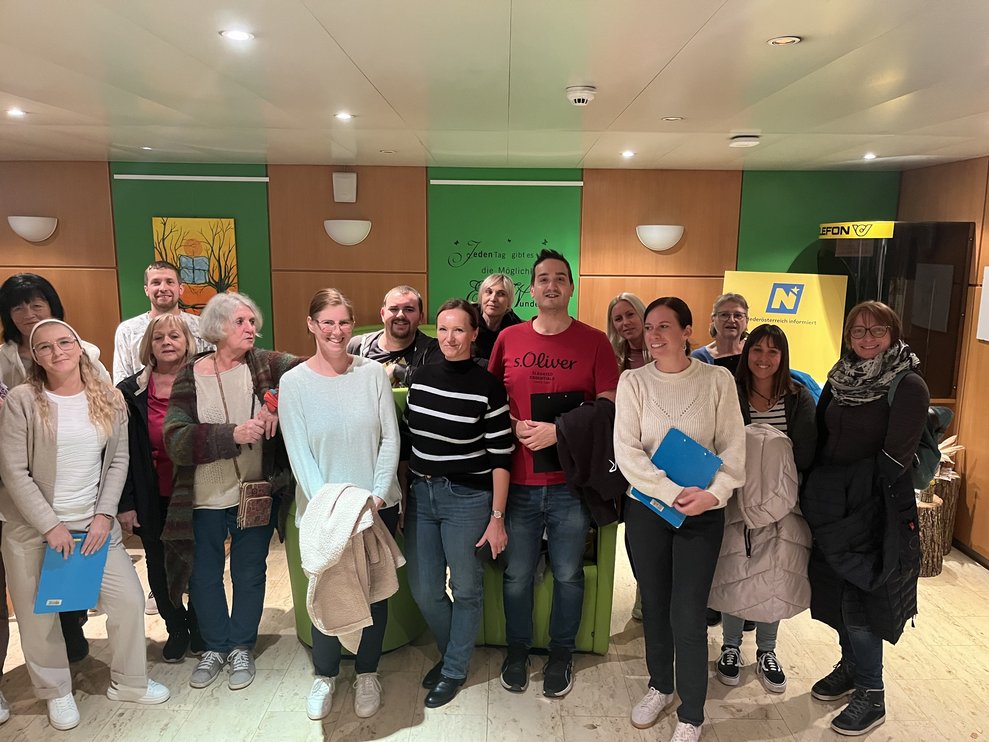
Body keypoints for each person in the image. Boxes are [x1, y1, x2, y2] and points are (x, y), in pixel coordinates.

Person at [0, 319, 170, 731]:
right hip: (32, 530)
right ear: (35, 356)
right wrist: (49, 526)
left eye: (64, 342)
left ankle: (129, 681)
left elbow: (118, 461)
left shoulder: (109, 398)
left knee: (128, 600)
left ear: (79, 346)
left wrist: (103, 515)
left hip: (94, 526)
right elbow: (13, 470)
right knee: (38, 618)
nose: (56, 351)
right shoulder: (22, 400)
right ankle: (56, 691)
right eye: (44, 347)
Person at [488, 249, 620, 698]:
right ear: (532, 289)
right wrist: (511, 425)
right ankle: (517, 651)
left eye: (560, 278)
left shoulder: (595, 342)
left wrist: (558, 431)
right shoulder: (509, 339)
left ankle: (561, 653)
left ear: (570, 288)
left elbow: (609, 405)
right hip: (516, 483)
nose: (551, 285)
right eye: (543, 278)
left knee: (567, 574)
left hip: (569, 484)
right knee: (517, 575)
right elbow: (491, 400)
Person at [613, 297, 745, 741]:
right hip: (649, 510)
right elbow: (627, 452)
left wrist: (713, 494)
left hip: (702, 513)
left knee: (688, 612)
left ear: (687, 331)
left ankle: (691, 712)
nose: (654, 335)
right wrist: (671, 493)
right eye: (649, 327)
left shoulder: (717, 380)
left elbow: (733, 448)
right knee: (654, 604)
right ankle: (660, 685)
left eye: (664, 326)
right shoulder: (633, 382)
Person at [802, 301, 929, 736]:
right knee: (837, 593)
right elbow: (822, 437)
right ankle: (852, 666)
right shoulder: (840, 378)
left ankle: (873, 693)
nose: (867, 338)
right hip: (833, 505)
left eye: (877, 330)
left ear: (893, 333)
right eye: (858, 330)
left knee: (862, 600)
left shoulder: (907, 384)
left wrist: (840, 489)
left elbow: (894, 460)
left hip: (875, 511)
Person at [163, 292, 300, 692]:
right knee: (204, 575)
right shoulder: (189, 374)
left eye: (252, 321)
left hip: (255, 492)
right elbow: (175, 438)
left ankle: (241, 645)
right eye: (241, 322)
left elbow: (310, 373)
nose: (250, 328)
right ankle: (214, 647)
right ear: (218, 327)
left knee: (249, 571)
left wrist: (274, 403)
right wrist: (232, 435)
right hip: (203, 497)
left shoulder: (266, 364)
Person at [278, 288, 402, 721]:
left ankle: (367, 672)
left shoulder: (373, 375)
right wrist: (334, 507)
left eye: (344, 322)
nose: (336, 330)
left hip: (375, 506)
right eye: (327, 322)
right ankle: (325, 674)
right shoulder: (294, 383)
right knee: (326, 588)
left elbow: (390, 439)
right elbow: (299, 453)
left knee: (374, 590)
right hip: (323, 510)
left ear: (354, 325)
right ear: (311, 325)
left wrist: (377, 494)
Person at [404, 299, 513, 708]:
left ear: (474, 334)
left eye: (459, 330)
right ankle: (454, 652)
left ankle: (453, 668)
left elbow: (501, 457)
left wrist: (497, 518)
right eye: (443, 329)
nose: (449, 338)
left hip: (467, 498)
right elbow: (409, 442)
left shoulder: (488, 386)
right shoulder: (421, 378)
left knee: (466, 588)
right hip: (421, 494)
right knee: (424, 589)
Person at [0, 272, 108, 664]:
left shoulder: (84, 353)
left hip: (74, 479)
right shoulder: (2, 359)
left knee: (71, 565)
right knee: (31, 579)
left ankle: (73, 626)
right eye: (18, 307)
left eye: (36, 304)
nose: (28, 313)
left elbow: (105, 411)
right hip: (18, 482)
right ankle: (50, 666)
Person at [707, 324, 816, 694]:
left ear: (783, 356)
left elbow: (806, 452)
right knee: (734, 568)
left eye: (773, 351)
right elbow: (719, 441)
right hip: (736, 497)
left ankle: (767, 650)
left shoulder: (798, 396)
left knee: (776, 573)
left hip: (784, 499)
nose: (764, 358)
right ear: (746, 352)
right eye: (757, 350)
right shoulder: (730, 391)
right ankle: (730, 647)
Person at [117, 314, 202, 663]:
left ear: (187, 342)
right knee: (158, 563)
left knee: (200, 562)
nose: (167, 342)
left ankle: (200, 625)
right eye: (159, 337)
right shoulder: (129, 391)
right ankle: (176, 627)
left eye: (174, 336)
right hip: (151, 493)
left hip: (196, 491)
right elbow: (120, 453)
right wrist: (126, 503)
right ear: (148, 346)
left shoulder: (204, 381)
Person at [113, 260, 213, 385]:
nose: (163, 288)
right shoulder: (128, 330)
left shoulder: (202, 327)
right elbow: (121, 380)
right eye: (156, 282)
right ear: (146, 290)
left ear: (180, 289)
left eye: (170, 282)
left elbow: (212, 373)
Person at [347, 285, 441, 387]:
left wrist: (399, 370)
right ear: (382, 314)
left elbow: (442, 382)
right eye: (394, 309)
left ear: (421, 317)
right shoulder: (358, 346)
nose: (400, 315)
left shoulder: (434, 350)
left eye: (409, 310)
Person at [690, 293, 749, 375]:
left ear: (746, 320)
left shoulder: (753, 353)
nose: (731, 320)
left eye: (738, 315)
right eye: (724, 315)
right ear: (713, 319)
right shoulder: (699, 357)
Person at [474, 273, 523, 361]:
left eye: (501, 294)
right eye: (489, 292)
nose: (493, 299)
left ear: (509, 301)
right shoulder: (466, 321)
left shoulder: (518, 329)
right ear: (481, 296)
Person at [607, 292, 648, 370]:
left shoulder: (661, 351)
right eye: (618, 319)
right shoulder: (613, 356)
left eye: (630, 314)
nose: (625, 322)